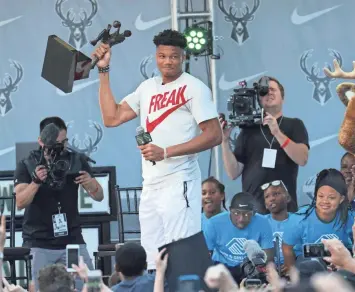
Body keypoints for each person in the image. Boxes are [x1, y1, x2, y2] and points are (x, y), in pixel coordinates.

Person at [92, 29, 222, 271]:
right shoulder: (147, 87)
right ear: (156, 56)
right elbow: (111, 117)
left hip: (179, 180)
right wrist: (103, 71)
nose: (167, 61)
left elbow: (215, 134)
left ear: (183, 57)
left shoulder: (195, 88)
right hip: (151, 184)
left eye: (173, 56)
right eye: (162, 56)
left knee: (182, 256)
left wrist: (166, 152)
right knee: (153, 260)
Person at [13, 117, 103, 291]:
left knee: (92, 287)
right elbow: (20, 202)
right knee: (39, 288)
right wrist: (35, 182)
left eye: (64, 142)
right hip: (38, 241)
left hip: (71, 239)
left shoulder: (76, 160)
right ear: (41, 141)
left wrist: (89, 182)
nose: (60, 148)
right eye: (56, 143)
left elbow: (99, 196)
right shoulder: (27, 164)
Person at [220, 76, 309, 214]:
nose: (270, 93)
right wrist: (224, 141)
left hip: (285, 210)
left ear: (282, 98)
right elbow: (233, 172)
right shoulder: (247, 130)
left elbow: (302, 158)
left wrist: (277, 133)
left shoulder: (294, 124)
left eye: (273, 90)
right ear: (258, 99)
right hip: (253, 211)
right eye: (264, 91)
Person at [282, 168, 355, 269]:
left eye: (331, 197)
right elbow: (287, 247)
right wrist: (292, 273)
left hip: (339, 261)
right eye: (321, 196)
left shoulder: (349, 216)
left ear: (341, 199)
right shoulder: (299, 219)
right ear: (315, 196)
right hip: (308, 263)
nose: (325, 201)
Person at [202, 192, 274, 284]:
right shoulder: (213, 223)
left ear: (254, 213)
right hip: (223, 267)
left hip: (250, 267)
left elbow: (268, 256)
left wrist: (263, 273)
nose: (241, 219)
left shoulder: (263, 222)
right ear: (230, 210)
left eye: (247, 214)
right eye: (236, 213)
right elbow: (206, 256)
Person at [261, 180, 296, 273]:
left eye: (276, 194)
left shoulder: (298, 220)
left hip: (294, 269)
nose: (271, 198)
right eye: (267, 196)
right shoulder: (260, 222)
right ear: (265, 205)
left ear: (288, 198)